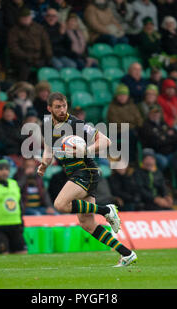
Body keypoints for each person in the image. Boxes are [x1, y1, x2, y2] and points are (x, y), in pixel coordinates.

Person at [37, 92, 137, 267]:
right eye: (57, 107)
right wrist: (44, 165)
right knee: (87, 223)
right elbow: (48, 151)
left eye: (64, 106)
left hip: (85, 171)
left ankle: (106, 209)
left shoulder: (75, 124)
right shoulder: (47, 126)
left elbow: (105, 141)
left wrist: (85, 150)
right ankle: (126, 253)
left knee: (60, 204)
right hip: (75, 173)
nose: (62, 110)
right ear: (49, 108)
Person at [7, 7, 52, 81]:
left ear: (31, 17)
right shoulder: (14, 31)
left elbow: (46, 43)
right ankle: (23, 88)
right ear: (19, 19)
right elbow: (14, 48)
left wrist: (48, 55)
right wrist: (26, 57)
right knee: (24, 69)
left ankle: (44, 88)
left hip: (39, 57)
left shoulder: (39, 28)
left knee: (48, 68)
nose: (26, 19)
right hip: (23, 59)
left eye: (28, 17)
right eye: (24, 18)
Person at [139, 104, 177, 171]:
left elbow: (175, 136)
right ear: (149, 114)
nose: (156, 114)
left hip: (168, 152)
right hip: (154, 153)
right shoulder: (146, 126)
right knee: (163, 162)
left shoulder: (163, 123)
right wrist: (167, 136)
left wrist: (163, 137)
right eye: (153, 112)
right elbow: (155, 142)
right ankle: (157, 177)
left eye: (157, 112)